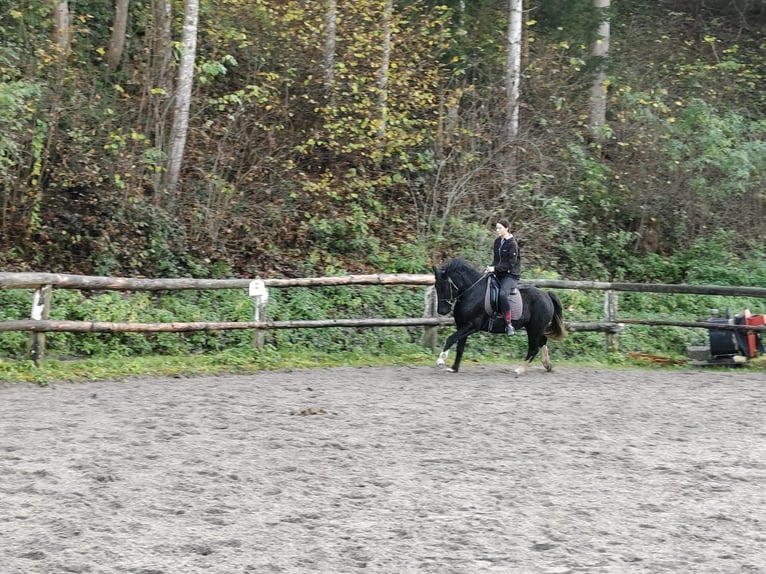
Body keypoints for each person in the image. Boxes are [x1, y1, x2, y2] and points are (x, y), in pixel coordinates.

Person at [485, 219, 521, 336]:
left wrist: (495, 268)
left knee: (502, 294)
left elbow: (510, 264)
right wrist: (491, 268)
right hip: (499, 273)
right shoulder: (497, 242)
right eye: (497, 228)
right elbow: (496, 260)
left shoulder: (512, 244)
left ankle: (508, 324)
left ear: (506, 228)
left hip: (510, 275)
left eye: (500, 228)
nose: (497, 230)